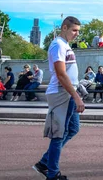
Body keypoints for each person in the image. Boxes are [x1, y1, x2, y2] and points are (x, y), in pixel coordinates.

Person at [32, 16, 84, 180]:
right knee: (59, 134)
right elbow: (61, 74)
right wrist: (76, 97)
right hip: (62, 93)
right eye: (74, 30)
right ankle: (52, 174)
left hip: (67, 92)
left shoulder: (65, 45)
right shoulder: (57, 45)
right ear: (64, 28)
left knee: (73, 129)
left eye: (78, 31)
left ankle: (44, 162)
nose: (76, 34)